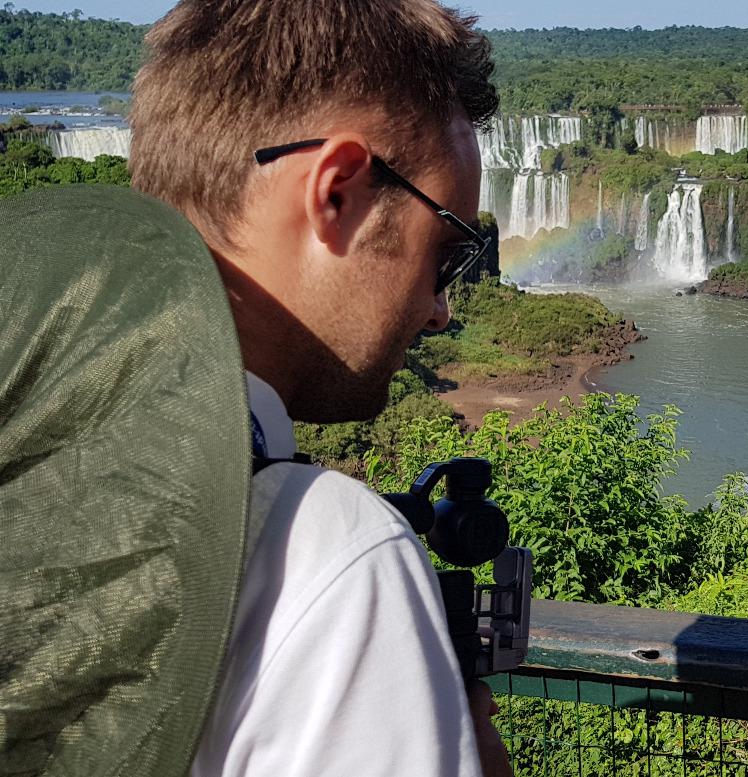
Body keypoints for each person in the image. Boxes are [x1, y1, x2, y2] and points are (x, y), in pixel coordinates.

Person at [124, 1, 511, 774]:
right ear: (337, 194)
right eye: (446, 252)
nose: (440, 310)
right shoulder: (326, 550)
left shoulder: (41, 444)